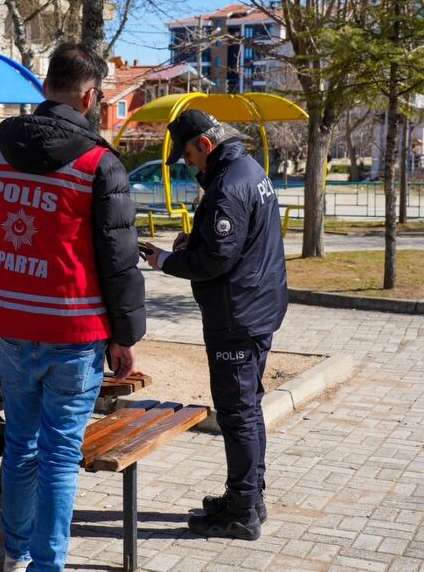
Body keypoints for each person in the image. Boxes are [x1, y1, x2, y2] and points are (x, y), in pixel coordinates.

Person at [0, 41, 146, 572]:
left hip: (12, 322)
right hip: (75, 328)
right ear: (88, 97)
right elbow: (119, 257)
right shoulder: (97, 163)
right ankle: (46, 564)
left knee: (21, 446)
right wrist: (125, 335)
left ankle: (15, 554)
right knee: (60, 454)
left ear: (45, 88)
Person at [141, 109, 287, 542]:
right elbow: (231, 243)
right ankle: (247, 496)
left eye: (188, 155)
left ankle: (242, 511)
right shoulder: (249, 169)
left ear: (205, 145)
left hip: (236, 316)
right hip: (256, 307)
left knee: (237, 412)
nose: (188, 164)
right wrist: (196, 241)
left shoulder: (227, 186)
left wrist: (167, 260)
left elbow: (216, 260)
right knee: (248, 407)